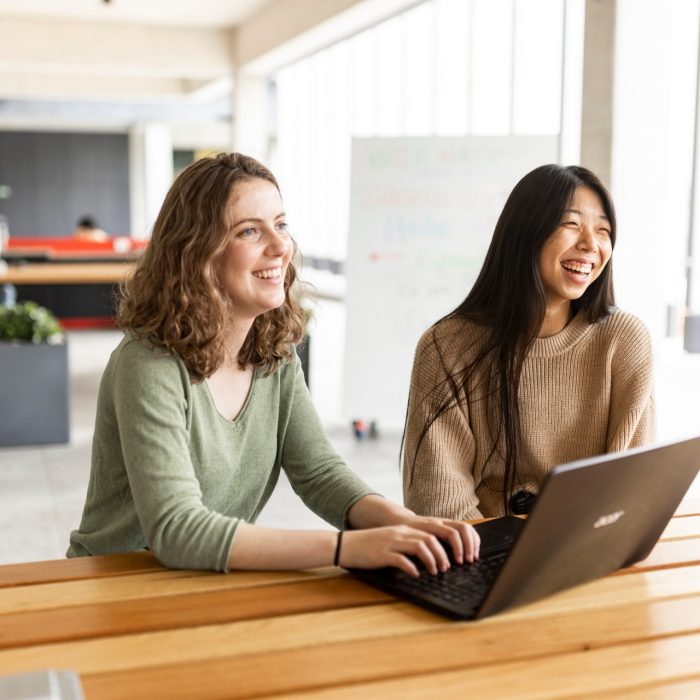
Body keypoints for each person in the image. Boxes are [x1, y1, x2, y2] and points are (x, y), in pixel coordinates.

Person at [67, 152, 480, 577]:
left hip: (202, 582)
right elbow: (177, 529)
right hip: (114, 588)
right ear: (197, 252)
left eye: (281, 225)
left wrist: (407, 525)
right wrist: (346, 548)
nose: (281, 246)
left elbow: (318, 472)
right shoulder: (149, 363)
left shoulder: (272, 353)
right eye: (250, 231)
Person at [403, 164, 655, 520]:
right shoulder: (446, 347)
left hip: (588, 551)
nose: (590, 245)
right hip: (479, 555)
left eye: (603, 230)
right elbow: (439, 504)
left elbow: (630, 489)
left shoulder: (623, 340)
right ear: (525, 232)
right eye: (571, 225)